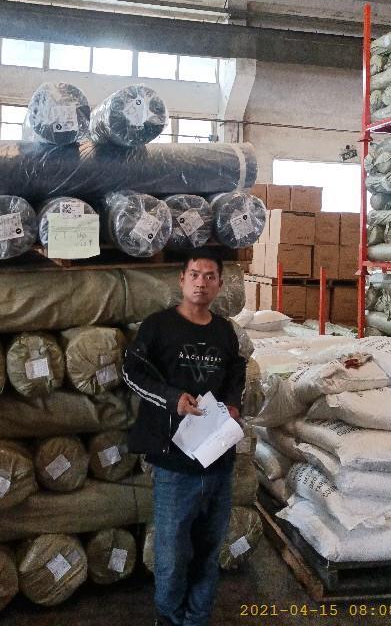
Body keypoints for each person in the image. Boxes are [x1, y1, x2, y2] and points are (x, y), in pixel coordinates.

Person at [123, 248, 247, 626]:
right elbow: (132, 373)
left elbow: (236, 374)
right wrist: (171, 398)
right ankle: (169, 617)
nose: (201, 283)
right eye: (194, 274)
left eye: (210, 276)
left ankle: (196, 618)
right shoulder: (158, 326)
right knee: (172, 554)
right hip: (174, 463)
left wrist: (233, 403)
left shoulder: (224, 331)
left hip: (218, 460)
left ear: (219, 284)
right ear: (181, 279)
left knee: (208, 551)